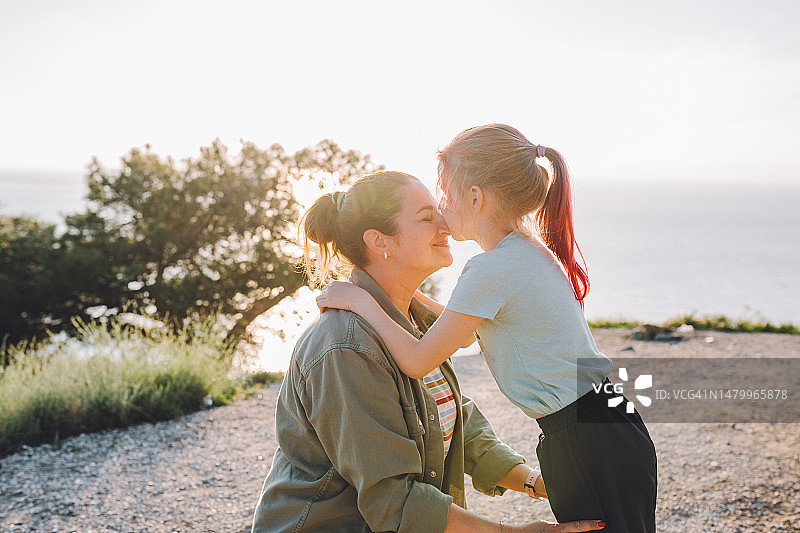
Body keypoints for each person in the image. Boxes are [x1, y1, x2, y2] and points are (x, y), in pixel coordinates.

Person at [316, 125, 658, 533]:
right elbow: (459, 327)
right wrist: (399, 300)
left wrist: (363, 302)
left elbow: (418, 359)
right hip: (608, 423)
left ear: (475, 197)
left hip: (583, 439)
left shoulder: (490, 270)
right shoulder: (523, 251)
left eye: (444, 195)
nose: (441, 213)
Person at [252, 170, 605, 532]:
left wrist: (534, 482)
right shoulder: (345, 347)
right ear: (378, 241)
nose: (446, 225)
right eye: (426, 218)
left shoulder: (414, 323)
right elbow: (393, 500)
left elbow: (451, 418)